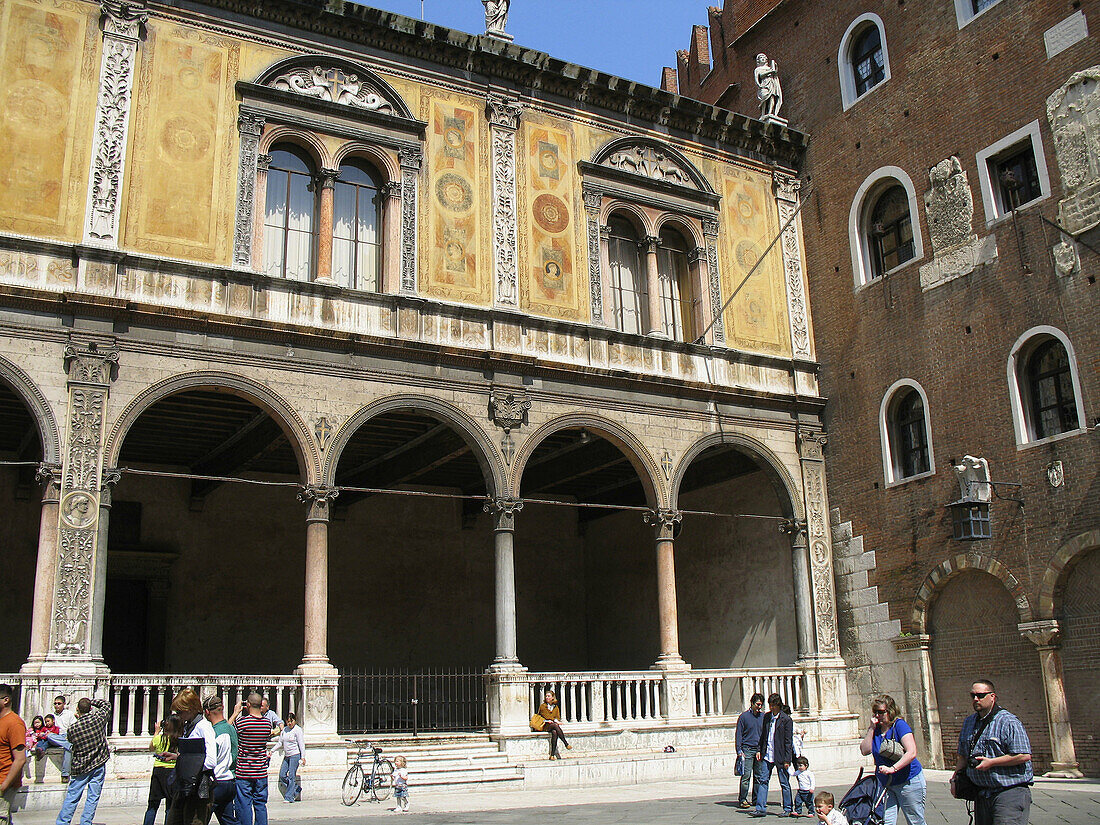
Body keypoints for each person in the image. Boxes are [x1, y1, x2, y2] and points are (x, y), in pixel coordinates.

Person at [951, 679, 1033, 825]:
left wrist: (992, 762)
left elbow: (1023, 755)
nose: (976, 699)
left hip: (1009, 792)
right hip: (981, 794)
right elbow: (963, 756)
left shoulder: (1008, 721)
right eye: (973, 695)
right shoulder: (969, 722)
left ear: (992, 696)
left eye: (981, 695)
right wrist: (955, 779)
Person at [860, 694, 925, 825]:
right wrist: (871, 729)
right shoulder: (876, 730)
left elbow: (911, 752)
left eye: (881, 712)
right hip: (886, 784)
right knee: (886, 821)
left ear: (890, 711)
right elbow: (864, 750)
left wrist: (893, 769)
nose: (877, 715)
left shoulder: (900, 726)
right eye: (875, 712)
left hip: (908, 781)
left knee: (915, 821)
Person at [55, 696, 110, 825]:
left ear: (77, 710)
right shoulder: (98, 719)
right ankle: (86, 822)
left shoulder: (73, 729)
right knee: (93, 797)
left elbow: (71, 743)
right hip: (98, 763)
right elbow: (106, 705)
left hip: (81, 766)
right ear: (90, 709)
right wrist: (92, 701)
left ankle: (63, 822)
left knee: (73, 796)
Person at [165, 688, 217, 825]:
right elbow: (193, 757)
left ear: (191, 709)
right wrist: (178, 757)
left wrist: (191, 767)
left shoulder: (203, 727)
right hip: (184, 787)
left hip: (198, 789)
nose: (178, 715)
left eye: (180, 711)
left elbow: (211, 760)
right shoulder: (190, 727)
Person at [753, 693, 793, 818]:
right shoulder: (767, 717)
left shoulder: (786, 719)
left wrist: (787, 759)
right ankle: (760, 808)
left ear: (778, 705)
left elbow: (788, 741)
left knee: (784, 782)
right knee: (763, 780)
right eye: (770, 705)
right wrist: (760, 749)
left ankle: (787, 807)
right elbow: (763, 735)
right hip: (767, 753)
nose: (772, 708)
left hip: (780, 755)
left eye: (774, 705)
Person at [233, 693, 272, 825]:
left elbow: (228, 728)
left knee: (244, 805)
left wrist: (235, 713)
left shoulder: (242, 722)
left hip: (244, 771)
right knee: (260, 804)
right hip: (260, 771)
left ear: (248, 705)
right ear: (261, 705)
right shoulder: (267, 724)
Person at [202, 695, 238, 825]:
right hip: (229, 781)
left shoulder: (213, 732)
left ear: (207, 712)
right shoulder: (231, 729)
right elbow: (235, 753)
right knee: (228, 820)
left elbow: (210, 759)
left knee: (200, 819)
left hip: (216, 782)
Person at [142, 716, 179, 825]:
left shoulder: (159, 738)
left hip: (159, 770)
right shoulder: (178, 739)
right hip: (172, 771)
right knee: (170, 806)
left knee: (152, 805)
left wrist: (156, 732)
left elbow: (151, 748)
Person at [0, 684, 27, 825]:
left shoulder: (14, 723)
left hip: (4, 782)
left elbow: (20, 759)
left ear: (6, 700)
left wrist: (4, 785)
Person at [735, 693, 765, 808]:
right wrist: (739, 750)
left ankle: (756, 799)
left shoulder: (763, 717)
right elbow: (739, 734)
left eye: (761, 705)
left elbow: (763, 735)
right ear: (752, 703)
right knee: (746, 776)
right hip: (746, 749)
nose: (759, 707)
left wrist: (760, 749)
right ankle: (742, 798)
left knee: (758, 776)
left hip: (758, 750)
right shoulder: (744, 717)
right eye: (757, 704)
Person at [39, 698, 74, 781]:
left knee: (67, 749)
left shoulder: (69, 714)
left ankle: (65, 774)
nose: (57, 705)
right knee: (50, 735)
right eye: (55, 703)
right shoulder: (51, 716)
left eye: (59, 703)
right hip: (55, 737)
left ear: (64, 704)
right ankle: (69, 745)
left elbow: (73, 727)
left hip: (66, 736)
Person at [531, 691, 571, 760]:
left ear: (552, 698)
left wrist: (554, 720)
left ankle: (552, 755)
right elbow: (546, 716)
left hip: (551, 725)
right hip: (543, 725)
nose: (547, 697)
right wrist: (554, 720)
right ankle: (565, 743)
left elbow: (557, 717)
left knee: (555, 732)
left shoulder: (555, 707)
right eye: (546, 696)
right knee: (555, 725)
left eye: (549, 696)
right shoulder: (543, 706)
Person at [276, 714, 304, 803]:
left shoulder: (298, 730)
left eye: (291, 721)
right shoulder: (284, 730)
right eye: (288, 721)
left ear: (294, 721)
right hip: (287, 755)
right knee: (282, 775)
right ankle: (295, 788)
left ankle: (289, 797)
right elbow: (280, 743)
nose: (289, 723)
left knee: (292, 775)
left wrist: (303, 757)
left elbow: (301, 744)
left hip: (295, 755)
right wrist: (272, 750)